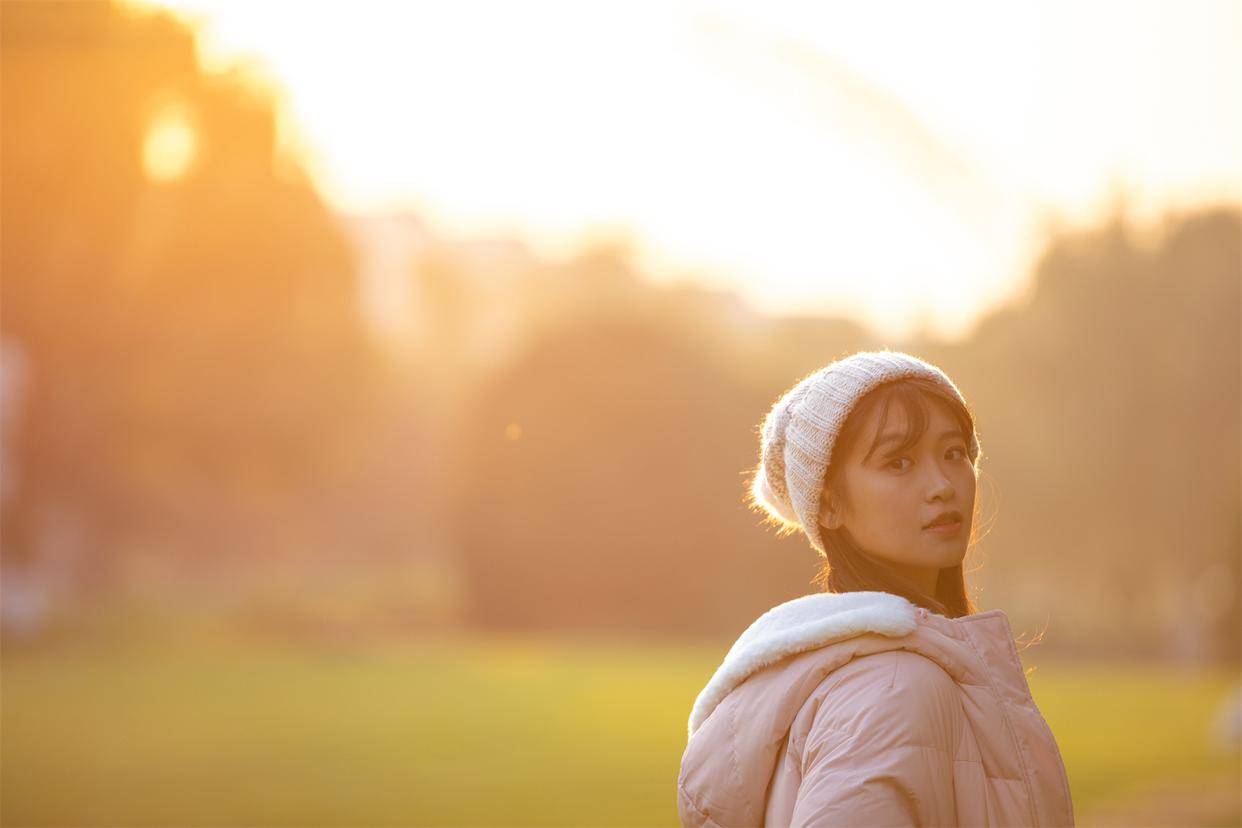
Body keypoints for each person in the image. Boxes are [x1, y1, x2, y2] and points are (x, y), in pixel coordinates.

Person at [677, 349, 1075, 827]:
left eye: (953, 453)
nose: (942, 485)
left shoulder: (869, 667)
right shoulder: (894, 687)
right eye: (899, 462)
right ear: (829, 506)